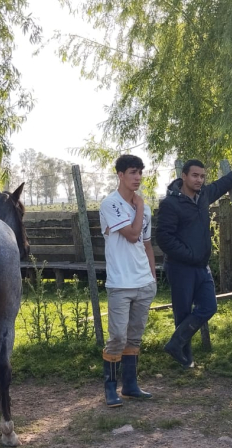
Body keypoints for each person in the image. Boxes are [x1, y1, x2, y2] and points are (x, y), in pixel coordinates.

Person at [156, 158, 232, 367]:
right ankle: (185, 358)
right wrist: (189, 255)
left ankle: (175, 344)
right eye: (195, 175)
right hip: (180, 268)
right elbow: (164, 238)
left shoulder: (203, 195)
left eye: (202, 176)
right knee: (183, 313)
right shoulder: (170, 204)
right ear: (184, 176)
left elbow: (222, 184)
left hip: (201, 267)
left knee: (208, 306)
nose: (199, 180)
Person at [98, 154, 157, 406]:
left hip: (143, 282)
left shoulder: (146, 209)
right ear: (120, 175)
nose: (138, 178)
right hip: (120, 283)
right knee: (118, 338)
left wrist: (152, 277)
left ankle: (131, 386)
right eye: (133, 172)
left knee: (134, 338)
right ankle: (110, 388)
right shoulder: (110, 204)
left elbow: (146, 243)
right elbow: (132, 235)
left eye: (140, 173)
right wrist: (140, 206)